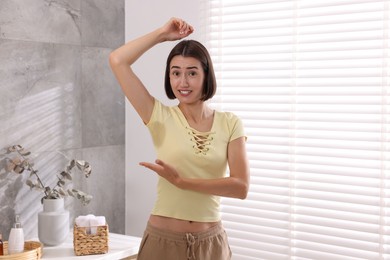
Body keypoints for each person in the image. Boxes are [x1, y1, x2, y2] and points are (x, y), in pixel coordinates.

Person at [109, 17, 250, 260]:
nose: (183, 83)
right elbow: (118, 60)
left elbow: (240, 187)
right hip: (163, 243)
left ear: (206, 75)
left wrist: (182, 181)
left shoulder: (230, 123)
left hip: (211, 245)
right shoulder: (159, 116)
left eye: (192, 73)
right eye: (176, 73)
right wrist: (161, 34)